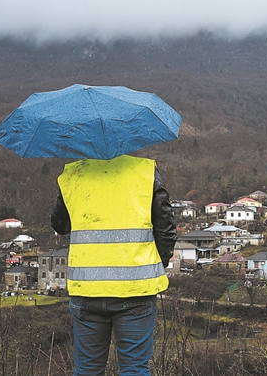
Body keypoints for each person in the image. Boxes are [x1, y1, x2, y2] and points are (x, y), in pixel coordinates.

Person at [51, 154, 176, 376]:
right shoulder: (145, 171)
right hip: (136, 289)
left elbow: (60, 225)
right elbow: (166, 228)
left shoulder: (71, 174)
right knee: (134, 369)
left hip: (87, 289)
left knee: (88, 369)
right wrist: (157, 263)